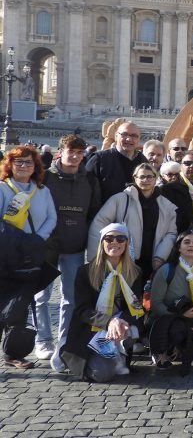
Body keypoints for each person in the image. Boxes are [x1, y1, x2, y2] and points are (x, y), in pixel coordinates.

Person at [41, 134, 102, 372]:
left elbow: (94, 212)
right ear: (60, 153)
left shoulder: (90, 180)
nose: (76, 156)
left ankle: (63, 345)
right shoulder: (45, 177)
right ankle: (43, 339)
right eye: (71, 152)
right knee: (41, 296)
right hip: (46, 246)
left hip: (75, 246)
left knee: (70, 299)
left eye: (80, 153)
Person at [60, 223, 143, 381]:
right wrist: (109, 321)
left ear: (126, 243)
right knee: (102, 374)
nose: (115, 242)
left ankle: (118, 354)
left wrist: (119, 322)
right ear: (102, 242)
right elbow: (83, 309)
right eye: (109, 238)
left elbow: (136, 306)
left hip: (120, 325)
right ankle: (75, 356)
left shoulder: (135, 272)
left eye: (120, 238)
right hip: (92, 328)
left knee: (133, 328)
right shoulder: (85, 272)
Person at [0, 146, 58, 362]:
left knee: (21, 303)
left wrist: (37, 239)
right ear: (10, 165)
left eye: (28, 162)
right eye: (19, 162)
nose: (24, 166)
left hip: (31, 252)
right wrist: (16, 240)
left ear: (35, 167)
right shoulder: (2, 189)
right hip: (5, 253)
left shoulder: (42, 191)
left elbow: (52, 217)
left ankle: (13, 353)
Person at [89, 163, 178, 280]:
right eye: (141, 177)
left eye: (149, 176)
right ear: (135, 178)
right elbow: (99, 224)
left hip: (153, 262)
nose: (145, 180)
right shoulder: (119, 200)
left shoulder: (166, 205)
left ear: (156, 178)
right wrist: (96, 258)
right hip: (123, 260)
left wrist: (159, 257)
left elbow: (171, 233)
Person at [148, 231, 193, 372]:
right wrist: (179, 315)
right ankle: (163, 350)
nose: (191, 245)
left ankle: (182, 348)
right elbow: (156, 303)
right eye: (186, 242)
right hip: (167, 319)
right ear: (178, 248)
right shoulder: (166, 270)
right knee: (177, 331)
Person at [85, 121, 149, 204]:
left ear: (139, 139)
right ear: (116, 136)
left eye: (134, 136)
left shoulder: (144, 162)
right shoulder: (99, 159)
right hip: (103, 214)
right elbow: (86, 190)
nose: (129, 139)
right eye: (124, 134)